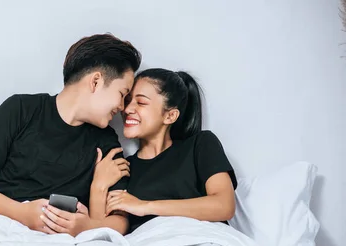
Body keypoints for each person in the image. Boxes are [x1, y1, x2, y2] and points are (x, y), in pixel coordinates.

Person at [0, 33, 141, 236]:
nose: (122, 107)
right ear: (95, 82)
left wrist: (85, 226)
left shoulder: (106, 141)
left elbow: (120, 221)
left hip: (58, 245)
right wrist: (22, 214)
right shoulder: (20, 110)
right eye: (122, 94)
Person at [91, 68, 237, 233]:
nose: (127, 109)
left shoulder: (200, 145)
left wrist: (144, 206)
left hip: (204, 245)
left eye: (141, 102)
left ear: (170, 116)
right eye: (128, 100)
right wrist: (98, 185)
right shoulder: (123, 168)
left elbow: (224, 206)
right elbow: (102, 235)